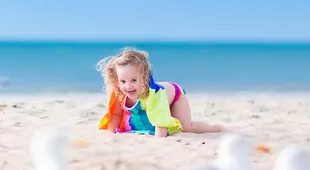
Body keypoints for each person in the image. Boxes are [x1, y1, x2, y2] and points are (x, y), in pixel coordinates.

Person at [96, 47, 225, 137]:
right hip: (155, 100)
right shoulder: (119, 92)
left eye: (134, 80)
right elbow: (116, 115)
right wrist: (110, 135)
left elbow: (161, 123)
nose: (128, 86)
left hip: (174, 95)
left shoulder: (155, 95)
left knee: (185, 127)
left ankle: (217, 128)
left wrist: (157, 143)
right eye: (123, 81)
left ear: (145, 78)